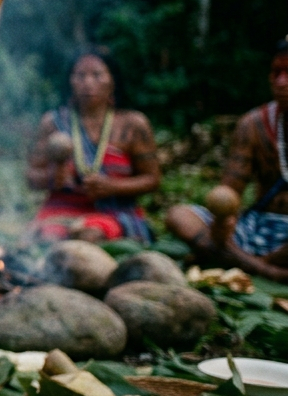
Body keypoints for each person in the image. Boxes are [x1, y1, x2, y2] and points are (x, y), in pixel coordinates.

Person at [166, 36, 288, 282]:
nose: (281, 82)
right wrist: (223, 225)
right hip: (257, 228)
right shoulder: (253, 125)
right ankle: (263, 269)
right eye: (276, 72)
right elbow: (228, 195)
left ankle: (232, 261)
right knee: (179, 215)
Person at [26, 50, 161, 243]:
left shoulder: (133, 124)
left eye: (97, 75)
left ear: (112, 80)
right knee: (49, 240)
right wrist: (53, 177)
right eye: (80, 76)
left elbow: (152, 179)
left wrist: (112, 186)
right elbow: (31, 178)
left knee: (90, 237)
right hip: (61, 210)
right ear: (70, 81)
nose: (88, 83)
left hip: (115, 212)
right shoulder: (52, 123)